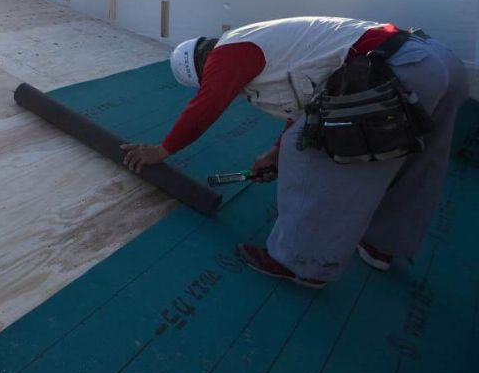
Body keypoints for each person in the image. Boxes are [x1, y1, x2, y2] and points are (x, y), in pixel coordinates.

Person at [121, 17, 468, 288]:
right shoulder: (270, 45)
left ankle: (301, 263)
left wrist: (162, 150)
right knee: (415, 161)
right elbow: (309, 107)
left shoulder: (227, 52)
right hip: (434, 60)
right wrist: (274, 152)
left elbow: (207, 104)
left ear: (201, 64)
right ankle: (381, 245)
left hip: (397, 67)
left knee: (314, 154)